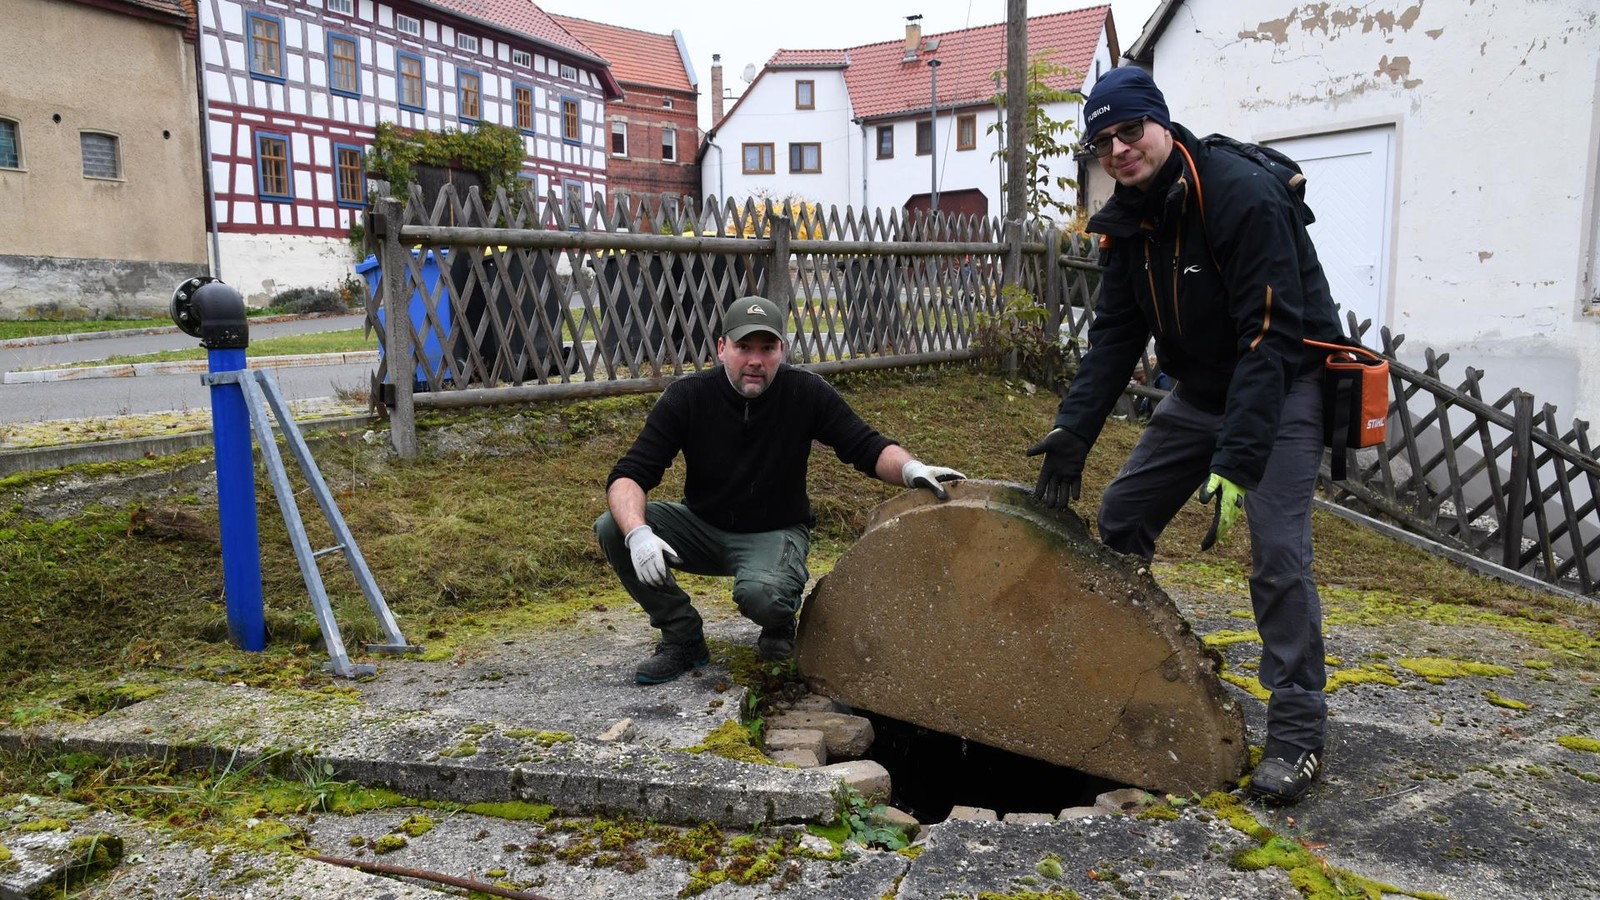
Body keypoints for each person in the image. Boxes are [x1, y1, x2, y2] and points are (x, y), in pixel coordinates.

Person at [1026, 67, 1346, 804]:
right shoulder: (1130, 217)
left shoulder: (1240, 195)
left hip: (1283, 384)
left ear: (1160, 124)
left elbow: (1270, 337)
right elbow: (1114, 334)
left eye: (1129, 131)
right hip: (1199, 392)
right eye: (1102, 140)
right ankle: (1140, 663)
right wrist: (1074, 428)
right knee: (1123, 517)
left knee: (1276, 554)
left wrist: (1238, 458)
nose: (1117, 149)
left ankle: (1297, 735)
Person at [596, 295, 965, 685]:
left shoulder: (805, 392)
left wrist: (911, 469)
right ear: (722, 348)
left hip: (774, 531)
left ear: (781, 351)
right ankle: (683, 637)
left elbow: (865, 445)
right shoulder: (688, 396)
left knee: (765, 597)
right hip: (701, 527)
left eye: (767, 348)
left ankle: (779, 622)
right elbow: (630, 474)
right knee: (613, 527)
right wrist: (638, 534)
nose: (755, 360)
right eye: (744, 347)